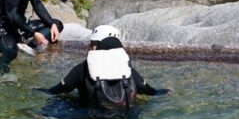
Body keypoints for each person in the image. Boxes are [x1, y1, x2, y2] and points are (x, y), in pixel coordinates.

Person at [41, 36, 169, 109]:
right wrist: (164, 91)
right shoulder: (128, 70)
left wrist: (41, 90)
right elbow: (148, 90)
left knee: (63, 101)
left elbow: (59, 89)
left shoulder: (83, 68)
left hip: (90, 118)